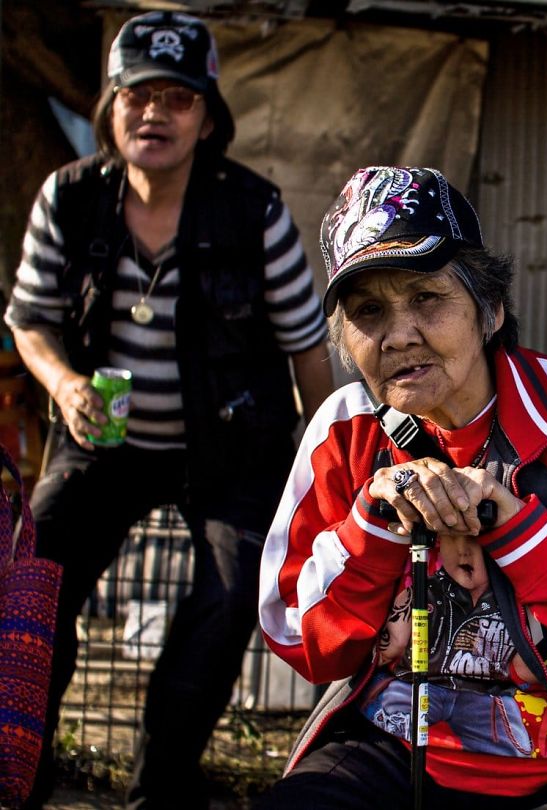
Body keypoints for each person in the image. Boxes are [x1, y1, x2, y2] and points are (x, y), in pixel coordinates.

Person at [257, 165, 547, 810]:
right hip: (395, 746)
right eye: (368, 311)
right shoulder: (344, 429)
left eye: (426, 297)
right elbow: (294, 634)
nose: (398, 335)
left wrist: (519, 529)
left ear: (490, 308)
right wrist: (374, 521)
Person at [4, 11, 335, 809]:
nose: (155, 112)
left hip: (233, 447)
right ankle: (20, 778)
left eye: (178, 98)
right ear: (110, 110)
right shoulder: (69, 197)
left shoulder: (254, 210)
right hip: (100, 442)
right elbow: (29, 322)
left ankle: (159, 790)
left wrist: (329, 468)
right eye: (138, 95)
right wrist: (65, 385)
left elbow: (308, 349)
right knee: (32, 581)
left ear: (207, 120)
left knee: (230, 598)